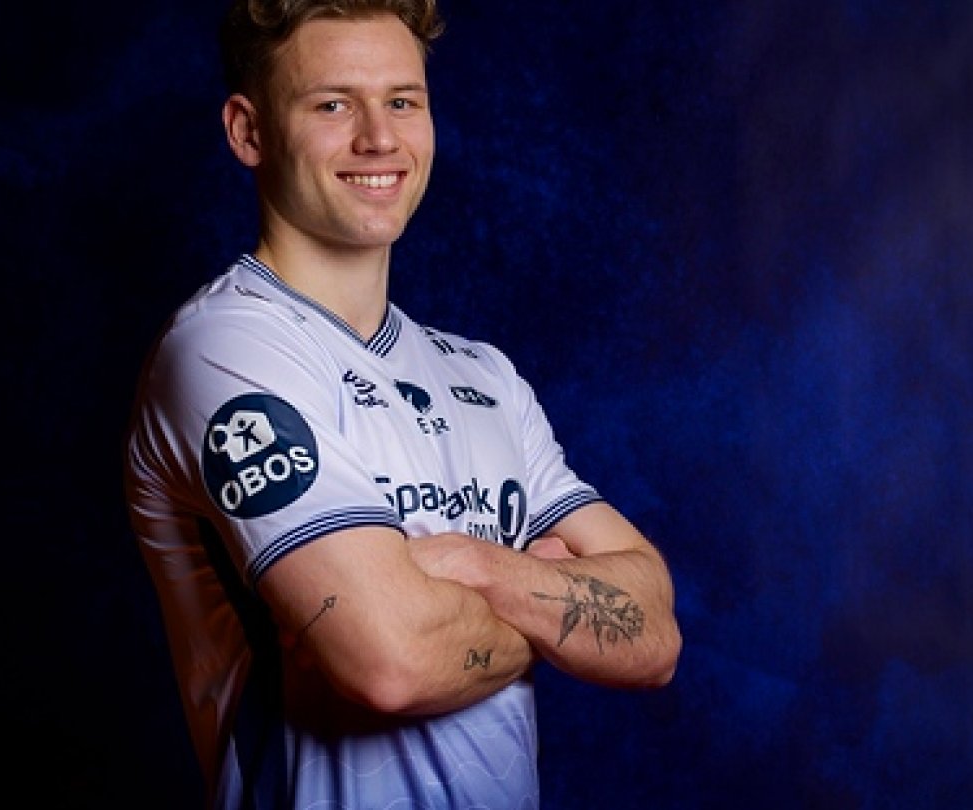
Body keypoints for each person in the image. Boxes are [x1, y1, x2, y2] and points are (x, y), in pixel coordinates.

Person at [122, 1, 682, 807]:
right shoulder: (223, 350)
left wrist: (475, 567)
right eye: (333, 104)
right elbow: (391, 661)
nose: (379, 139)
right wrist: (555, 609)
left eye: (403, 101)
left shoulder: (486, 377)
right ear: (249, 132)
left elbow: (654, 638)